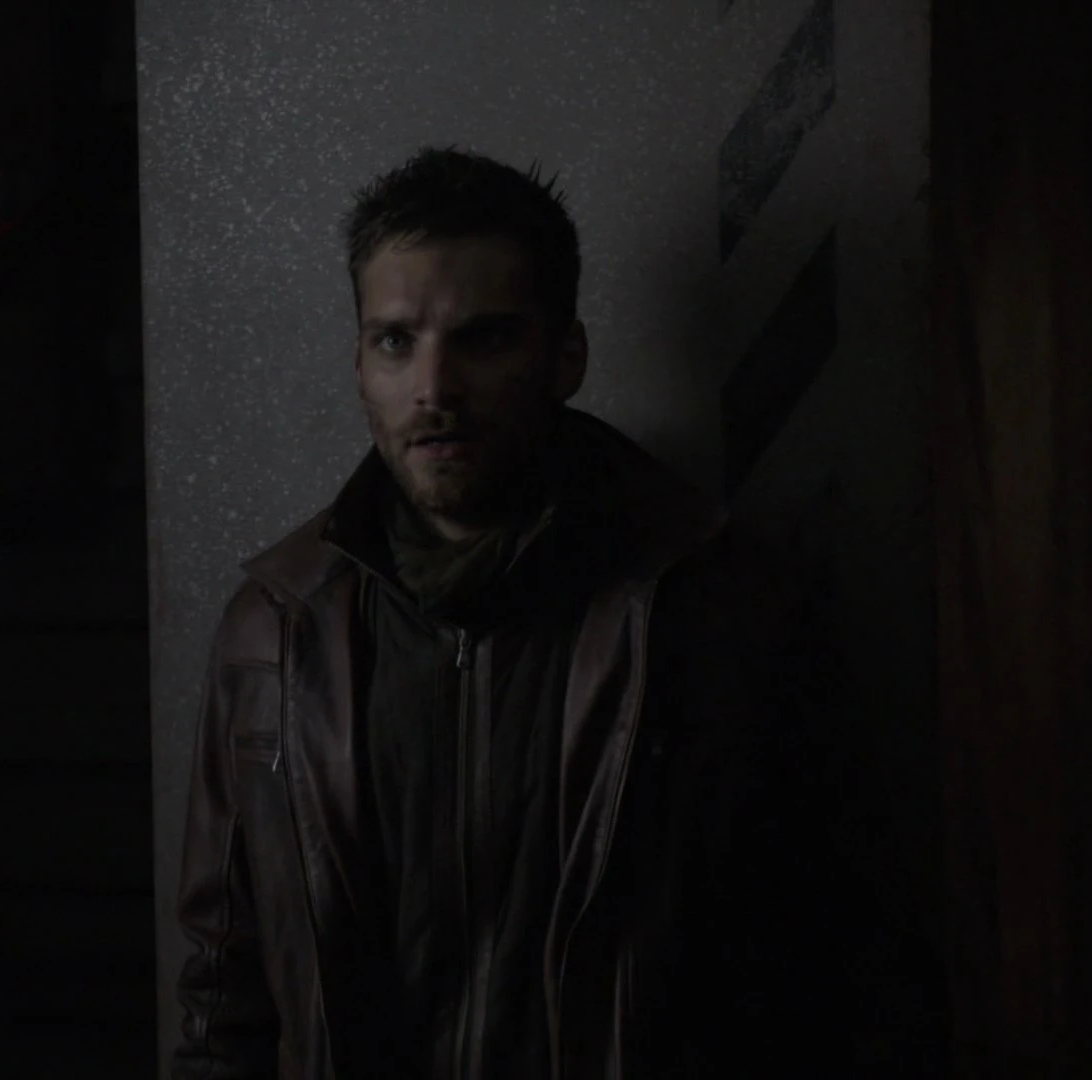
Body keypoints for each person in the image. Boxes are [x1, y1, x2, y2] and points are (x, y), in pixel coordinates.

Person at [170, 147, 864, 1078]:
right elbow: (223, 992)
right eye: (396, 341)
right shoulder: (277, 630)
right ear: (359, 362)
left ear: (565, 355)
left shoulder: (712, 607)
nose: (435, 389)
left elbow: (816, 968)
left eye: (484, 338)